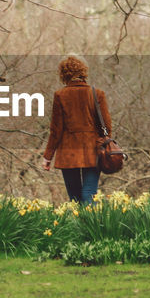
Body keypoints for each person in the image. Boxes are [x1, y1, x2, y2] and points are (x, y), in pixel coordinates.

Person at [41, 56, 112, 204]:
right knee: (89, 192)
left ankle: (77, 225)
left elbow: (56, 130)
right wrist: (103, 145)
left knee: (74, 197)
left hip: (68, 152)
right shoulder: (97, 94)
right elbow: (107, 126)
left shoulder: (60, 95)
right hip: (93, 150)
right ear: (83, 72)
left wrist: (48, 156)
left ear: (63, 74)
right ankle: (91, 226)